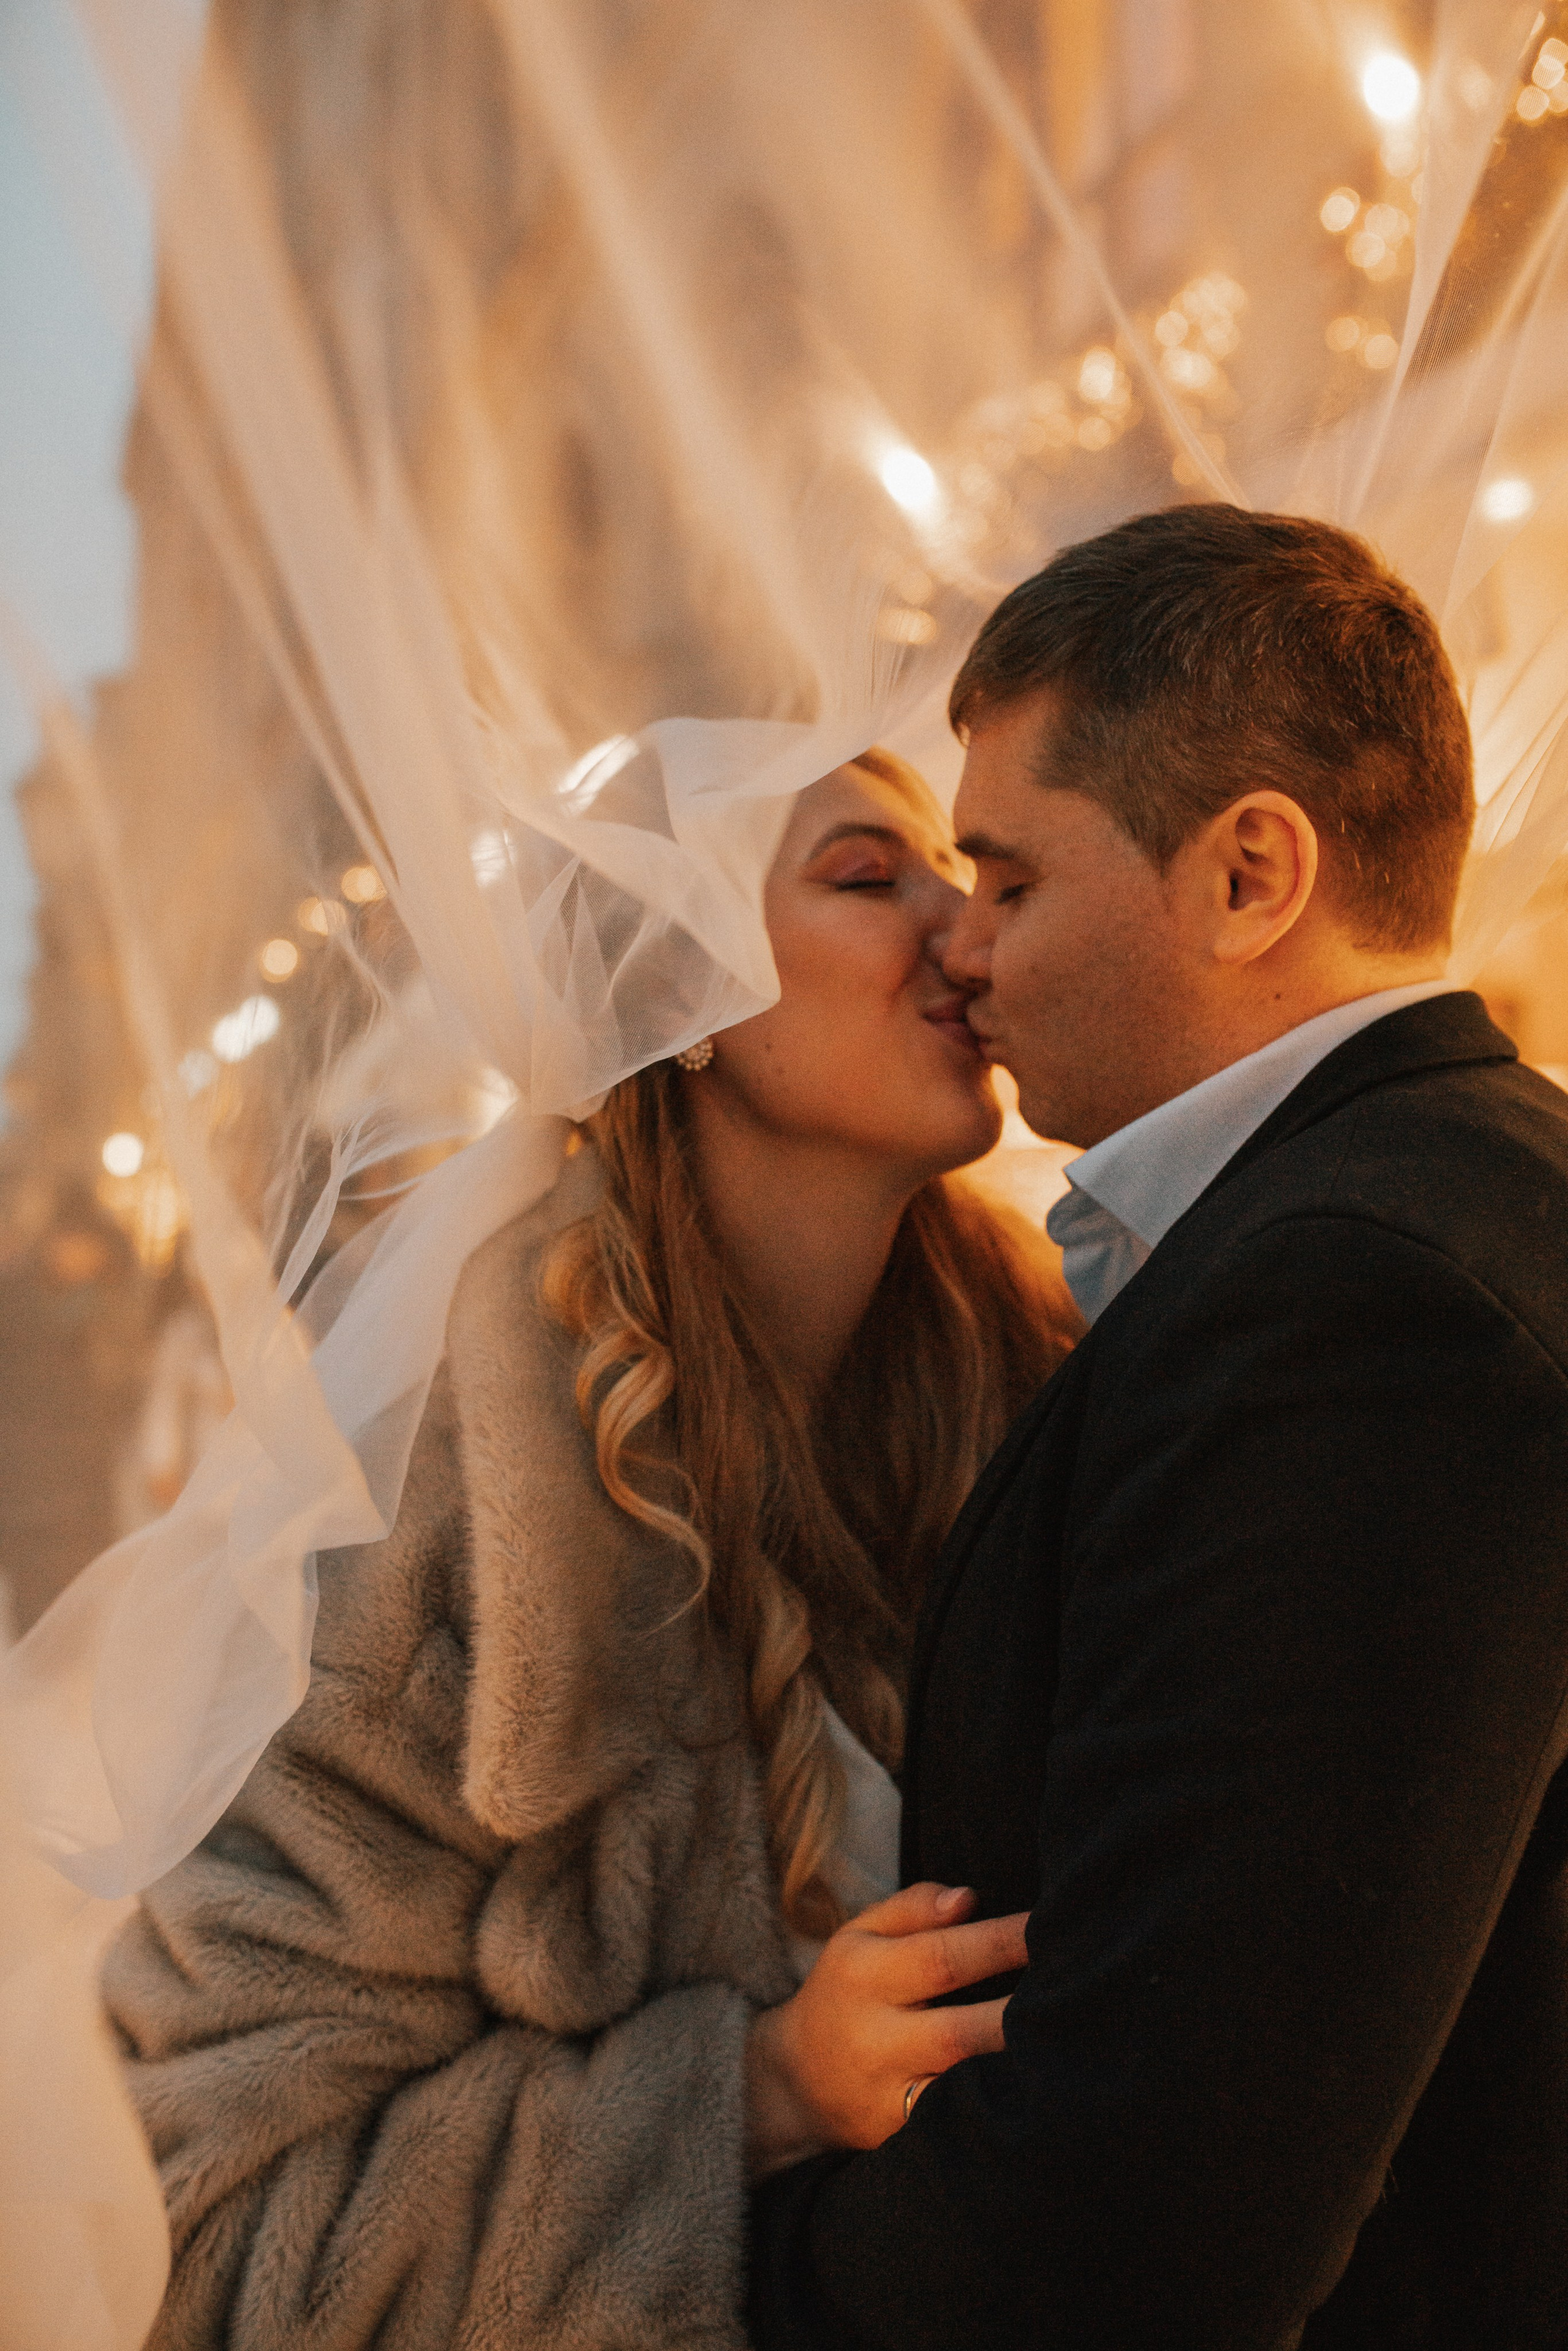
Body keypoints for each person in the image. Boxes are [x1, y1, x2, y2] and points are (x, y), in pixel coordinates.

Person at [102, 747, 1073, 2349]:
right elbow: (219, 2220)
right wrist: (749, 2097)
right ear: (665, 993)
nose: (965, 930)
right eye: (865, 875)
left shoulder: (1049, 1387)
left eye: (958, 874)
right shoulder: (441, 1503)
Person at [747, 505, 1568, 2349]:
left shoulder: (1363, 1295)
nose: (970, 951)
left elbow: (1155, 2201)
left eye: (1014, 881)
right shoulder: (1414, 1208)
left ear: (1248, 875)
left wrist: (709, 2285)